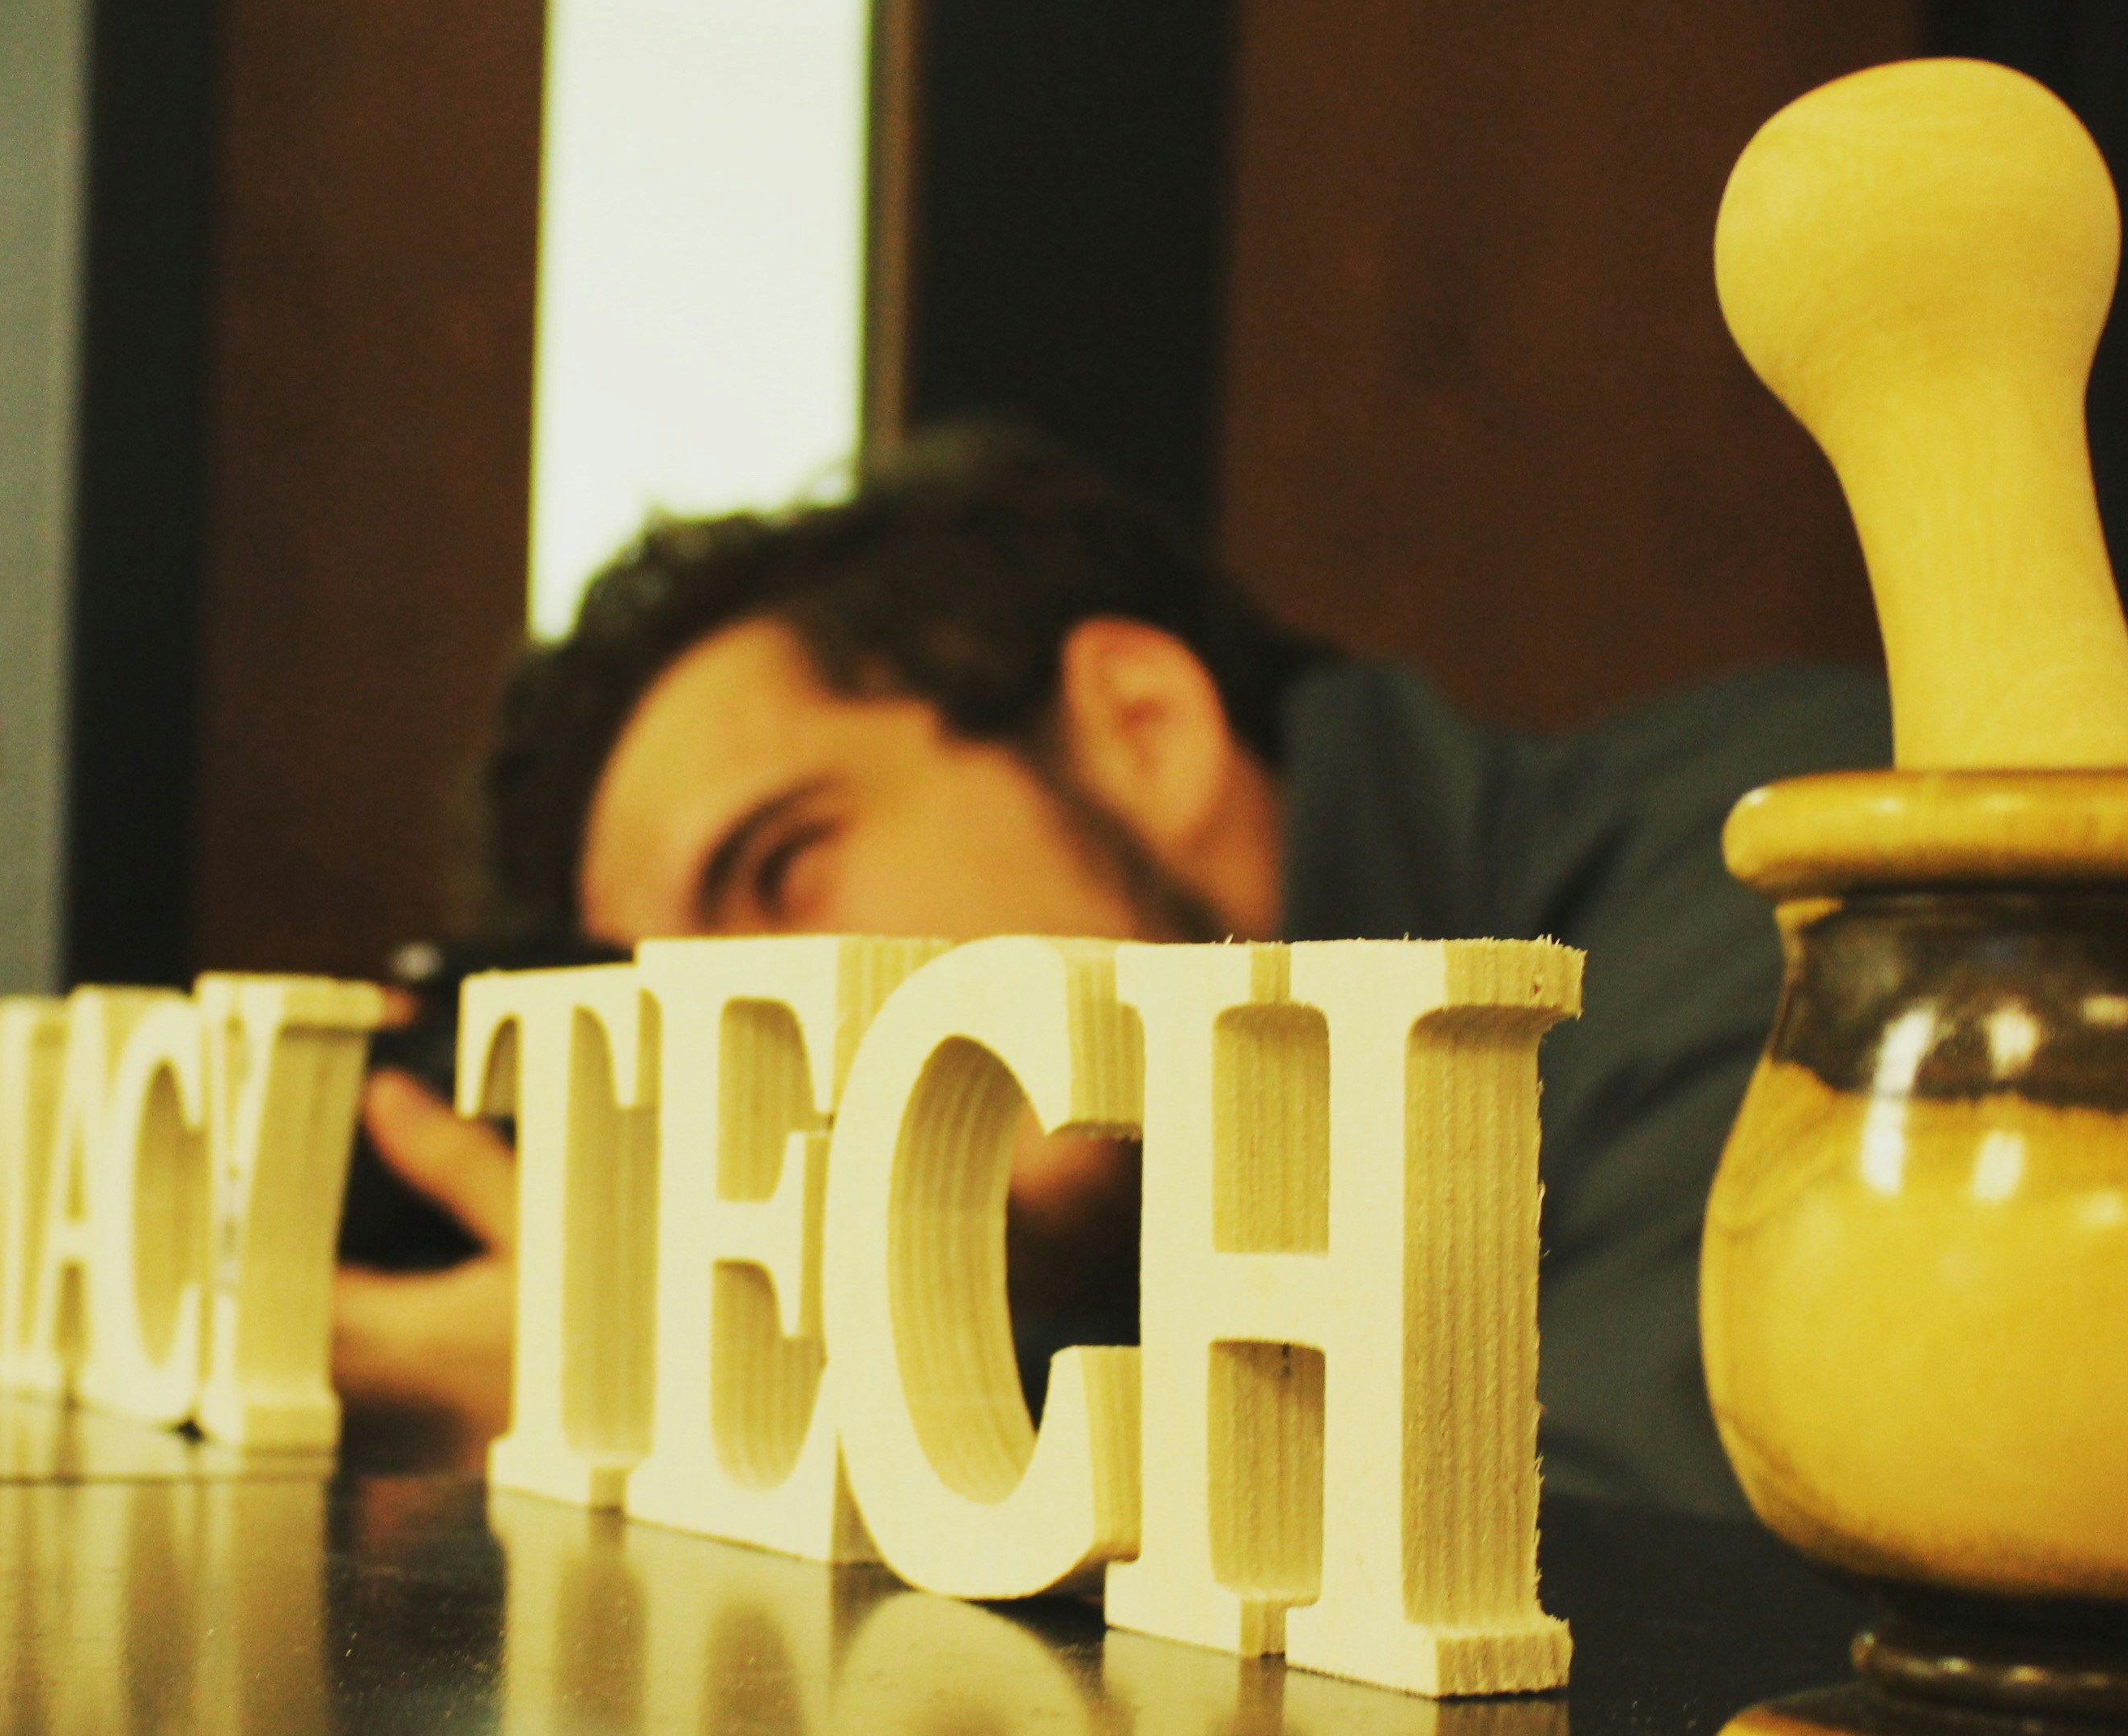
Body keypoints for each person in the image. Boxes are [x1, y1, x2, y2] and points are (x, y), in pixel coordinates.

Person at [333, 427, 1890, 1514]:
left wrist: (720, 1415)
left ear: (1138, 726)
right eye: (669, 1002)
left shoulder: (1809, 868)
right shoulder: (1143, 1231)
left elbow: (1631, 1641)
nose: (747, 1038)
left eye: (782, 869)